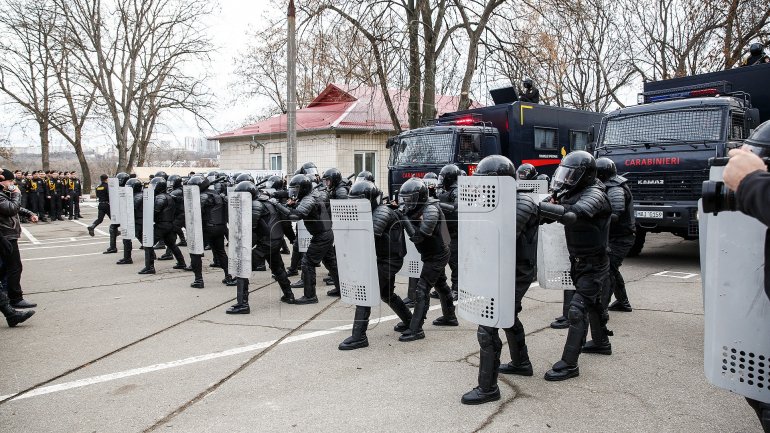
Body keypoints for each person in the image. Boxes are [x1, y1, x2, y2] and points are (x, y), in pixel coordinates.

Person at [460, 155, 539, 405]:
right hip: (501, 269)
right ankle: (521, 362)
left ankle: (488, 389)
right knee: (508, 317)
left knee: (488, 326)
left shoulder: (521, 202)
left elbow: (500, 236)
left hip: (516, 272)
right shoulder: (498, 200)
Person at [539, 151, 613, 381]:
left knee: (577, 309)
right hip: (579, 260)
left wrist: (543, 207)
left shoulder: (595, 193)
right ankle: (601, 342)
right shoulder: (571, 191)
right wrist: (542, 205)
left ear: (586, 175)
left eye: (573, 174)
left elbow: (573, 215)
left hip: (595, 262)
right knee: (592, 304)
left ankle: (569, 364)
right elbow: (547, 214)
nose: (567, 179)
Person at [338, 181, 414, 350]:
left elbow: (368, 237)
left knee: (366, 294)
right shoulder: (374, 210)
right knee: (387, 294)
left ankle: (359, 337)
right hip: (384, 259)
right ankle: (411, 322)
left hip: (388, 261)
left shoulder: (381, 212)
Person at [393, 177, 457, 342]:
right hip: (431, 253)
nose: (406, 203)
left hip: (437, 255)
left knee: (422, 289)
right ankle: (450, 317)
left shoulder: (430, 211)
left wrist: (403, 218)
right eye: (404, 200)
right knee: (441, 285)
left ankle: (416, 328)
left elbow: (419, 237)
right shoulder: (417, 207)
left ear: (419, 197)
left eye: (409, 200)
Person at [228, 181, 295, 314]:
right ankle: (289, 295)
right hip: (275, 241)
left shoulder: (255, 204)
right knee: (278, 269)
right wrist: (292, 239)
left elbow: (249, 228)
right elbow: (285, 224)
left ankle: (243, 304)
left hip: (265, 243)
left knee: (243, 270)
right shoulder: (270, 202)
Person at [273, 174, 340, 304]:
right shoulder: (312, 195)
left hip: (321, 236)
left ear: (303, 188)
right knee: (331, 263)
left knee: (307, 263)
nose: (294, 192)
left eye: (296, 189)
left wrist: (278, 205)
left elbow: (295, 216)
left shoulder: (308, 199)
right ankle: (341, 289)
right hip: (325, 234)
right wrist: (291, 203)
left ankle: (310, 296)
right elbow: (301, 209)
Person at [596, 157, 636, 312]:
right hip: (616, 236)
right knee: (612, 269)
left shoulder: (615, 188)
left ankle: (601, 309)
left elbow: (615, 215)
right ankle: (623, 302)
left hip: (621, 238)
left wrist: (593, 217)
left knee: (607, 272)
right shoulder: (611, 185)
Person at [186, 175, 235, 289]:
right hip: (220, 227)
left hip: (207, 228)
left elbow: (195, 213)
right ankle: (228, 276)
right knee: (220, 251)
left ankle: (198, 280)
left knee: (195, 252)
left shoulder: (202, 196)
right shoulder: (217, 194)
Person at [0, 168, 39, 309]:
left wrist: (29, 213)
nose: (12, 183)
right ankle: (15, 298)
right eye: (10, 181)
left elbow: (15, 208)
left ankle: (7, 299)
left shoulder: (3, 193)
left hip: (7, 234)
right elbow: (10, 208)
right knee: (14, 267)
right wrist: (17, 194)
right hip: (5, 235)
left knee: (5, 268)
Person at [138, 177, 186, 274]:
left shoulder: (160, 198)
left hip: (161, 225)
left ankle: (149, 267)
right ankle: (181, 263)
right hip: (169, 225)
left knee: (148, 244)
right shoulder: (169, 196)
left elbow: (155, 212)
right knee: (172, 244)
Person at [435, 164, 461, 301]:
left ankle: (457, 289)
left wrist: (438, 205)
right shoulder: (445, 191)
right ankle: (442, 287)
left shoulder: (457, 191)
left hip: (455, 232)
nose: (441, 180)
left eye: (443, 177)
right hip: (445, 230)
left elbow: (456, 208)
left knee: (455, 262)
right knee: (442, 260)